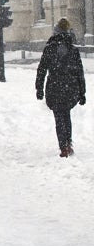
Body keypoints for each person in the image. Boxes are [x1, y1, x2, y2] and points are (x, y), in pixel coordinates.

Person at [35, 17, 86, 157]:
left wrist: (39, 88)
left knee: (59, 117)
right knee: (66, 115)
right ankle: (68, 143)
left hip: (55, 87)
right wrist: (82, 92)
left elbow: (42, 69)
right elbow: (79, 72)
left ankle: (63, 146)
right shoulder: (72, 49)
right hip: (70, 87)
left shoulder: (50, 48)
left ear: (55, 32)